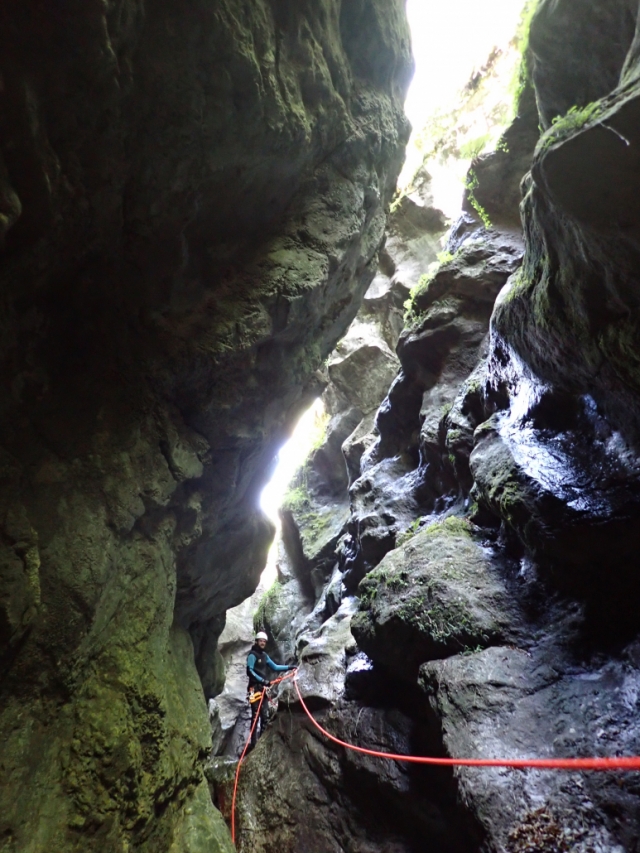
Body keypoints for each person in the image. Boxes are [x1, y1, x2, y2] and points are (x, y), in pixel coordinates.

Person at [246, 631, 295, 748]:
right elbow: (250, 671)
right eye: (261, 641)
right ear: (257, 641)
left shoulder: (264, 656)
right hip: (255, 688)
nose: (263, 643)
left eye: (264, 641)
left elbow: (275, 667)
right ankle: (253, 743)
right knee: (255, 715)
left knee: (265, 715)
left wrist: (289, 667)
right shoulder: (252, 655)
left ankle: (261, 743)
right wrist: (262, 680)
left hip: (263, 689)